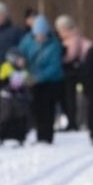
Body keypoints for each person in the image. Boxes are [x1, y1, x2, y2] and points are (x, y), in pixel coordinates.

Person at [19, 15, 63, 144]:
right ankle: (39, 134)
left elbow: (54, 66)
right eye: (38, 35)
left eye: (42, 35)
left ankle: (47, 136)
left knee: (48, 109)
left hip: (51, 81)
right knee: (36, 108)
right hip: (32, 79)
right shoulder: (27, 41)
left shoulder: (54, 45)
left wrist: (39, 78)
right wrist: (20, 61)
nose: (40, 38)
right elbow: (20, 52)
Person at [0, 1, 25, 122]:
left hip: (11, 73)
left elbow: (22, 49)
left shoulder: (15, 31)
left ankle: (12, 126)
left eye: (0, 15)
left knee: (12, 100)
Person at [55, 14, 93, 132]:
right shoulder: (75, 37)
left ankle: (75, 122)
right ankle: (79, 121)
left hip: (76, 72)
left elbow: (70, 56)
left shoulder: (72, 39)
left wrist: (59, 57)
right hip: (76, 71)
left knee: (73, 98)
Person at [0, 48, 32, 145]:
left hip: (20, 98)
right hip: (7, 97)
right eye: (20, 59)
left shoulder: (24, 70)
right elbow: (1, 81)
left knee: (20, 117)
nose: (22, 61)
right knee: (5, 117)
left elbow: (27, 83)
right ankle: (0, 136)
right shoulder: (6, 67)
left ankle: (20, 137)